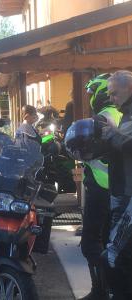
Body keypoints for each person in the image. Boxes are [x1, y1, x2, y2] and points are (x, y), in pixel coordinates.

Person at [78, 74, 122, 300]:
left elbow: (86, 148)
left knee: (90, 243)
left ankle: (99, 292)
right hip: (118, 189)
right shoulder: (121, 113)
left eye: (92, 93)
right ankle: (111, 290)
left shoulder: (102, 117)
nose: (90, 98)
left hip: (100, 188)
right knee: (109, 242)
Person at [97, 70, 132, 300]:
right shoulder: (126, 114)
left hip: (129, 198)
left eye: (114, 93)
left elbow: (128, 144)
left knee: (112, 258)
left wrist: (109, 134)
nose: (110, 98)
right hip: (122, 194)